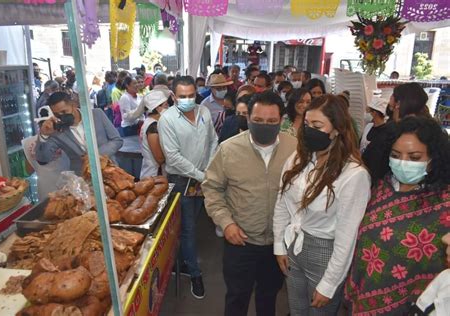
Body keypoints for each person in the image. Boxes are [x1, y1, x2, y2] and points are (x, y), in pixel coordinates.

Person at [273, 94, 371, 315]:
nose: (309, 130)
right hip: (293, 244)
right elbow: (282, 204)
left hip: (325, 254)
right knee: (297, 310)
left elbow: (347, 237)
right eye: (307, 124)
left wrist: (329, 284)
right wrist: (279, 245)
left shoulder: (353, 174)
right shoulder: (299, 158)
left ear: (336, 129)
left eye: (317, 125)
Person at [203, 91, 297, 316]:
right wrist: (226, 223)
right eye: (258, 121)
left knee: (269, 297)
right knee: (237, 297)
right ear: (248, 119)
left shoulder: (295, 148)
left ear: (281, 120)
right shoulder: (229, 149)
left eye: (271, 121)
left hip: (279, 243)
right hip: (241, 242)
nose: (265, 126)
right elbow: (212, 189)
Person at [345, 116, 450, 315]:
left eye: (415, 157)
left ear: (433, 159)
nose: (403, 163)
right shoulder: (381, 188)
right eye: (396, 155)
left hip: (414, 305)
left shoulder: (444, 204)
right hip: (366, 294)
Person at [158, 76, 217, 299]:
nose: (187, 99)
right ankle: (194, 273)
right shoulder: (167, 120)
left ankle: (183, 261)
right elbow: (172, 158)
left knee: (194, 221)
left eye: (191, 95)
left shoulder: (204, 112)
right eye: (182, 96)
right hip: (182, 180)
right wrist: (200, 175)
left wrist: (209, 170)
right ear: (173, 97)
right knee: (189, 228)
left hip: (203, 178)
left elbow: (213, 141)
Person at [35, 91, 123, 175]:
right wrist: (44, 135)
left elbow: (117, 140)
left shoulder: (97, 114)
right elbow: (43, 159)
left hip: (110, 170)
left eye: (64, 112)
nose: (62, 116)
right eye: (57, 115)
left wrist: (95, 155)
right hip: (82, 178)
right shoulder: (57, 131)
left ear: (73, 104)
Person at [367, 82, 431, 182]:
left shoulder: (390, 132)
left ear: (398, 104)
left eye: (414, 157)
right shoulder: (430, 130)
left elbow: (374, 164)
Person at [139, 90, 169, 178]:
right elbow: (159, 159)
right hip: (154, 175)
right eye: (166, 105)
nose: (168, 107)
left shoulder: (154, 122)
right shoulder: (153, 126)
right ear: (157, 108)